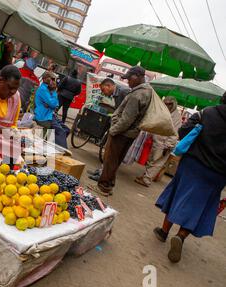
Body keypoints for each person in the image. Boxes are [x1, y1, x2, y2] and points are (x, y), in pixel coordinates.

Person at [153, 92, 226, 263]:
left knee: (177, 196)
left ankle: (163, 232)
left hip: (193, 164)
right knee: (199, 206)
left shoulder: (206, 113)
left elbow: (183, 130)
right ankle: (181, 236)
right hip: (218, 174)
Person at [88, 66, 152, 197]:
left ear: (138, 77)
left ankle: (103, 187)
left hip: (122, 133)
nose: (128, 81)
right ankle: (109, 185)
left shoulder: (137, 94)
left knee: (111, 160)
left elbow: (127, 119)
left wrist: (113, 130)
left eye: (130, 78)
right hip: (129, 133)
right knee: (115, 161)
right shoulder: (145, 91)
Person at [87, 78, 131, 182]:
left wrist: (115, 127)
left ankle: (103, 176)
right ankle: (102, 171)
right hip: (118, 126)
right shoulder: (118, 93)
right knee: (108, 151)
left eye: (103, 90)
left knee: (112, 154)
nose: (103, 93)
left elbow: (125, 113)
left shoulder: (122, 92)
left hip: (121, 128)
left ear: (109, 86)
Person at [135, 96, 182, 187]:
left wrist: (168, 145)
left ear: (173, 105)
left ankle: (146, 180)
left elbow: (174, 133)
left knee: (157, 163)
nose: (167, 105)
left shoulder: (176, 117)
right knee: (152, 160)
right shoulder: (166, 112)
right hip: (158, 141)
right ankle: (145, 176)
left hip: (165, 144)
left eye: (169, 104)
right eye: (166, 103)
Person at [34, 72, 70, 149]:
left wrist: (52, 104)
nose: (53, 81)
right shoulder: (43, 89)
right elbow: (54, 104)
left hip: (51, 114)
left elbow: (56, 105)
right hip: (44, 116)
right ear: (44, 79)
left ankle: (53, 145)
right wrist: (54, 91)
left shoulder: (48, 89)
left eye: (54, 79)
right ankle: (61, 151)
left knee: (67, 129)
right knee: (61, 132)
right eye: (52, 79)